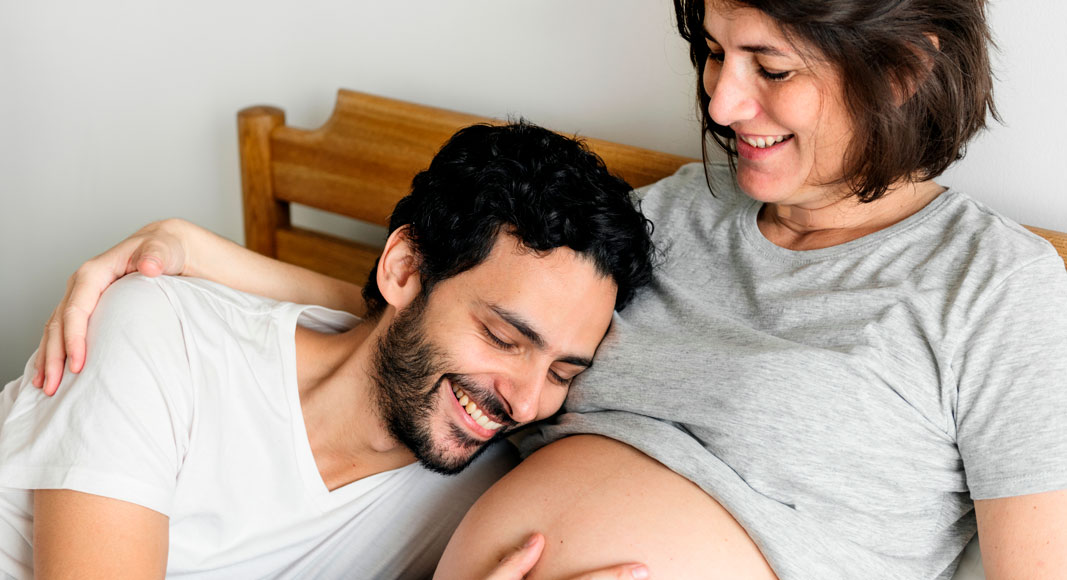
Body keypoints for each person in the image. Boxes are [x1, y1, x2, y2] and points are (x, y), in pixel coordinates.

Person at [27, 0, 1067, 578]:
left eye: (769, 66)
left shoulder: (996, 290)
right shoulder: (669, 216)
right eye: (713, 53)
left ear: (903, 64)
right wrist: (197, 257)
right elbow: (455, 313)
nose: (719, 100)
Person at [0, 121, 657, 579]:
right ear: (404, 270)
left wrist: (193, 244)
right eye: (503, 338)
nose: (525, 401)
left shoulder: (483, 499)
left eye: (562, 371)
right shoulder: (158, 334)